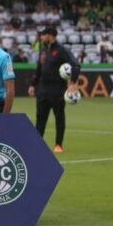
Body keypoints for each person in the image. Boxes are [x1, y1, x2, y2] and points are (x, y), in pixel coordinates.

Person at [29, 25, 80, 153]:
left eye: (42, 34)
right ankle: (36, 144)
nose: (40, 37)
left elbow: (76, 65)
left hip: (58, 89)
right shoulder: (43, 50)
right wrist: (32, 84)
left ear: (50, 35)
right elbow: (39, 69)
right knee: (40, 118)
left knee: (59, 117)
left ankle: (58, 145)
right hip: (43, 90)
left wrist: (73, 82)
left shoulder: (62, 50)